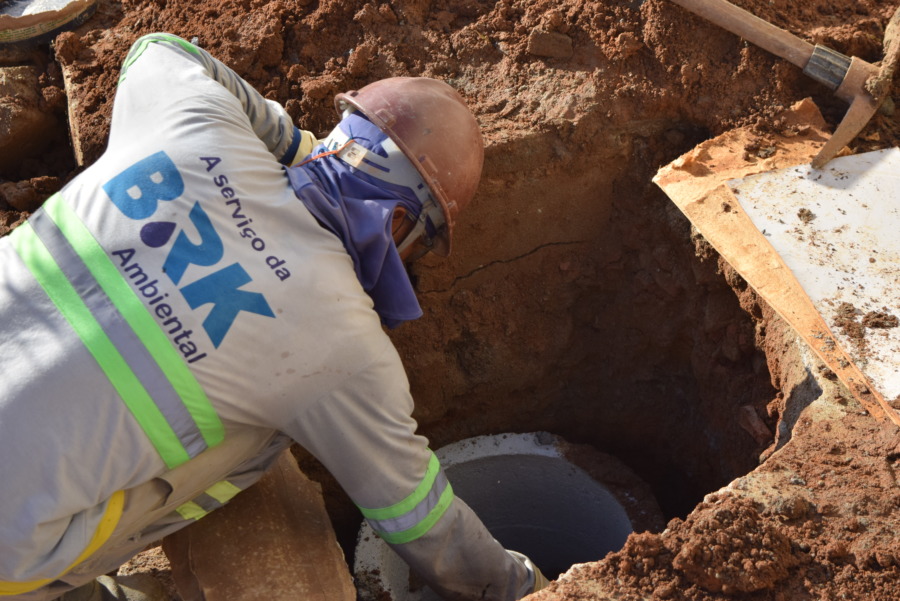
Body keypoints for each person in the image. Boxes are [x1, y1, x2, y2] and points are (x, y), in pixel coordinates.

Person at [0, 32, 548, 601]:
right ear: (401, 224)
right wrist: (527, 586)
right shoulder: (340, 342)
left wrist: (289, 146)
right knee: (261, 434)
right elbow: (416, 514)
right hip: (6, 549)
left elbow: (159, 49)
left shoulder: (190, 120)